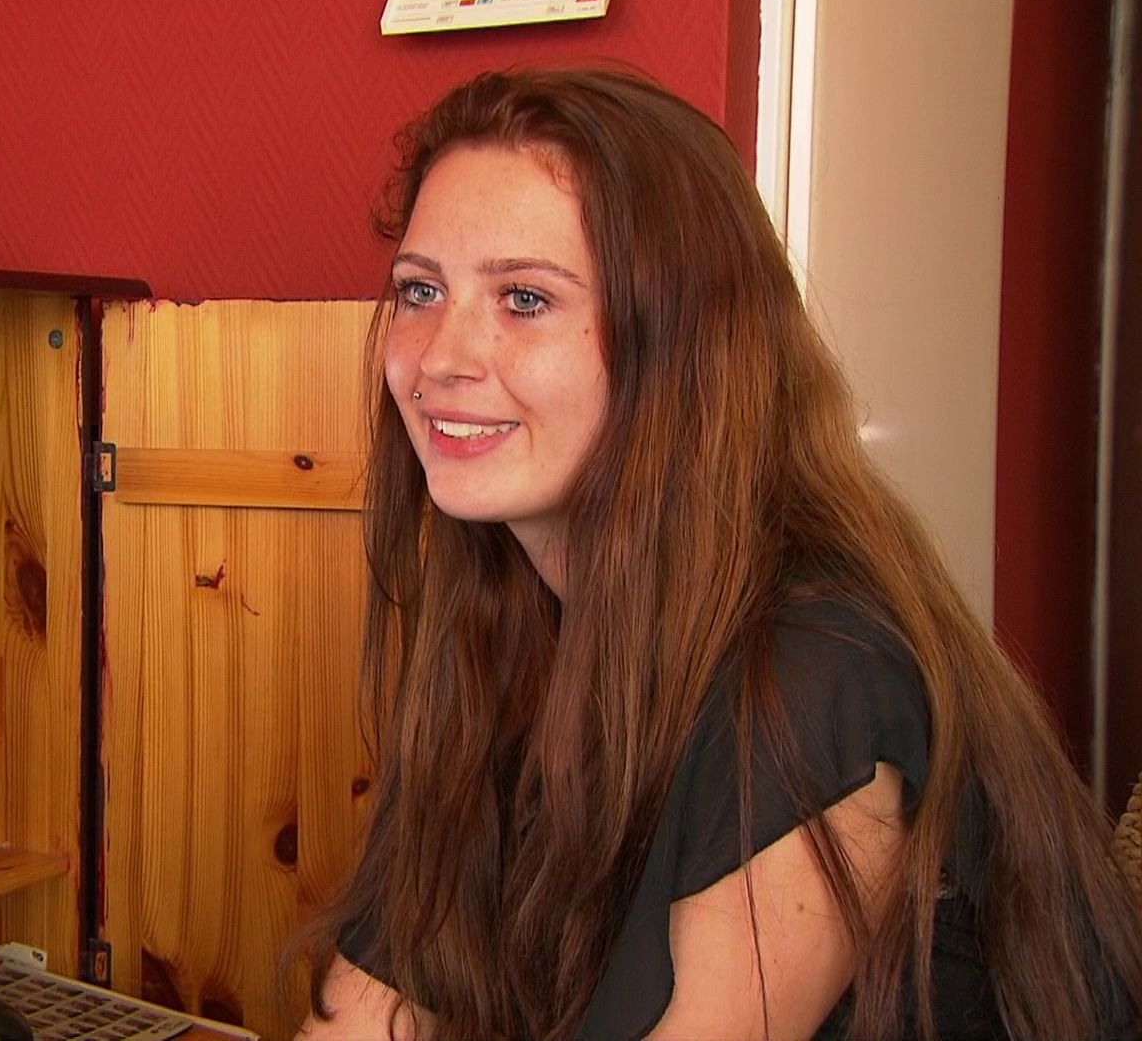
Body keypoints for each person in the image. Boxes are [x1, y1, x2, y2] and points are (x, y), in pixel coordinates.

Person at [294, 68, 1142, 1040]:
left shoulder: (815, 672)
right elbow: (367, 1013)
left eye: (524, 298)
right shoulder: (502, 629)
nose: (441, 357)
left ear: (684, 344)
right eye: (420, 290)